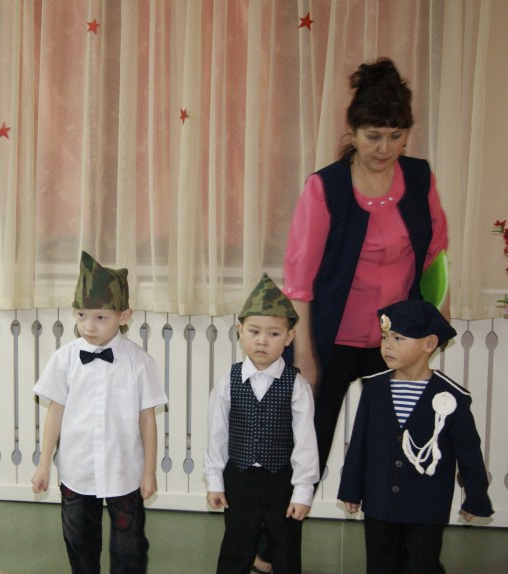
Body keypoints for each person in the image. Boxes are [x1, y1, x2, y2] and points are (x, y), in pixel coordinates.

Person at [283, 57, 450, 479]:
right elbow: (299, 281)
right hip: (331, 339)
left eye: (396, 136)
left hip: (396, 342)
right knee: (307, 450)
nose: (385, 148)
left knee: (395, 451)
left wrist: (439, 317)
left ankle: (386, 523)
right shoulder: (326, 186)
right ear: (353, 133)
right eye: (373, 136)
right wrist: (304, 353)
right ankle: (284, 524)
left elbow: (435, 254)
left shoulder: (420, 178)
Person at [31, 251, 168, 574]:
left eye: (100, 317)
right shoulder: (64, 359)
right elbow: (55, 413)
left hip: (124, 470)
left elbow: (147, 420)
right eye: (81, 315)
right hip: (76, 470)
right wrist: (43, 464)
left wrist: (149, 471)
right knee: (79, 541)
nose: (88, 326)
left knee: (129, 546)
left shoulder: (139, 362)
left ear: (124, 316)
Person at [338, 299, 493, 573]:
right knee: (380, 564)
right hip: (379, 504)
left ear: (429, 343)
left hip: (427, 506)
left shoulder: (451, 396)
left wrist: (476, 495)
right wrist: (351, 488)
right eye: (385, 337)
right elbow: (360, 442)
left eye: (398, 338)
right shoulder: (374, 388)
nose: (388, 345)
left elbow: (468, 451)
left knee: (422, 564)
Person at [204, 274, 318, 574]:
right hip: (240, 479)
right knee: (236, 546)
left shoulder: (296, 386)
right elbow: (217, 435)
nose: (262, 341)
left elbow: (306, 442)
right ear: (240, 331)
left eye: (274, 334)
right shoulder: (228, 381)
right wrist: (215, 480)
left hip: (281, 480)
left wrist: (302, 490)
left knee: (286, 549)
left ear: (289, 337)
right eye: (254, 331)